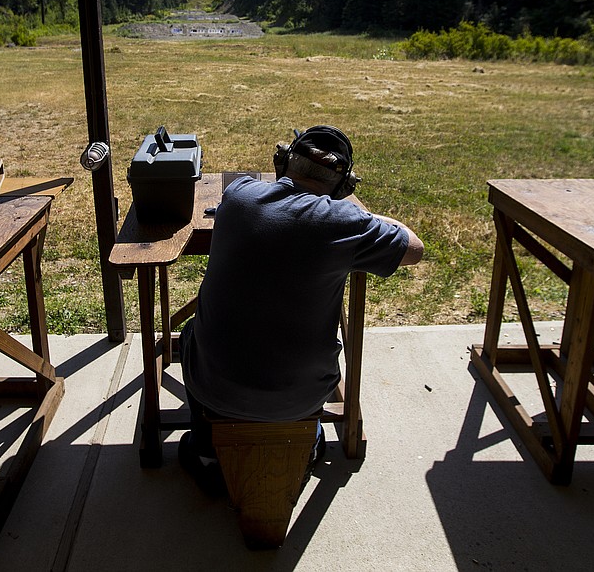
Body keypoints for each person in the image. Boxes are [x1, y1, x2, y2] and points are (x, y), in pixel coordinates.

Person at [178, 124, 423, 493]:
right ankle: (306, 442)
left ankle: (206, 448)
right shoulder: (348, 223)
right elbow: (414, 248)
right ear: (344, 187)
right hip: (302, 398)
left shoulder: (239, 194)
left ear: (282, 163)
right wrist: (373, 220)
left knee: (189, 334)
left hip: (215, 390)